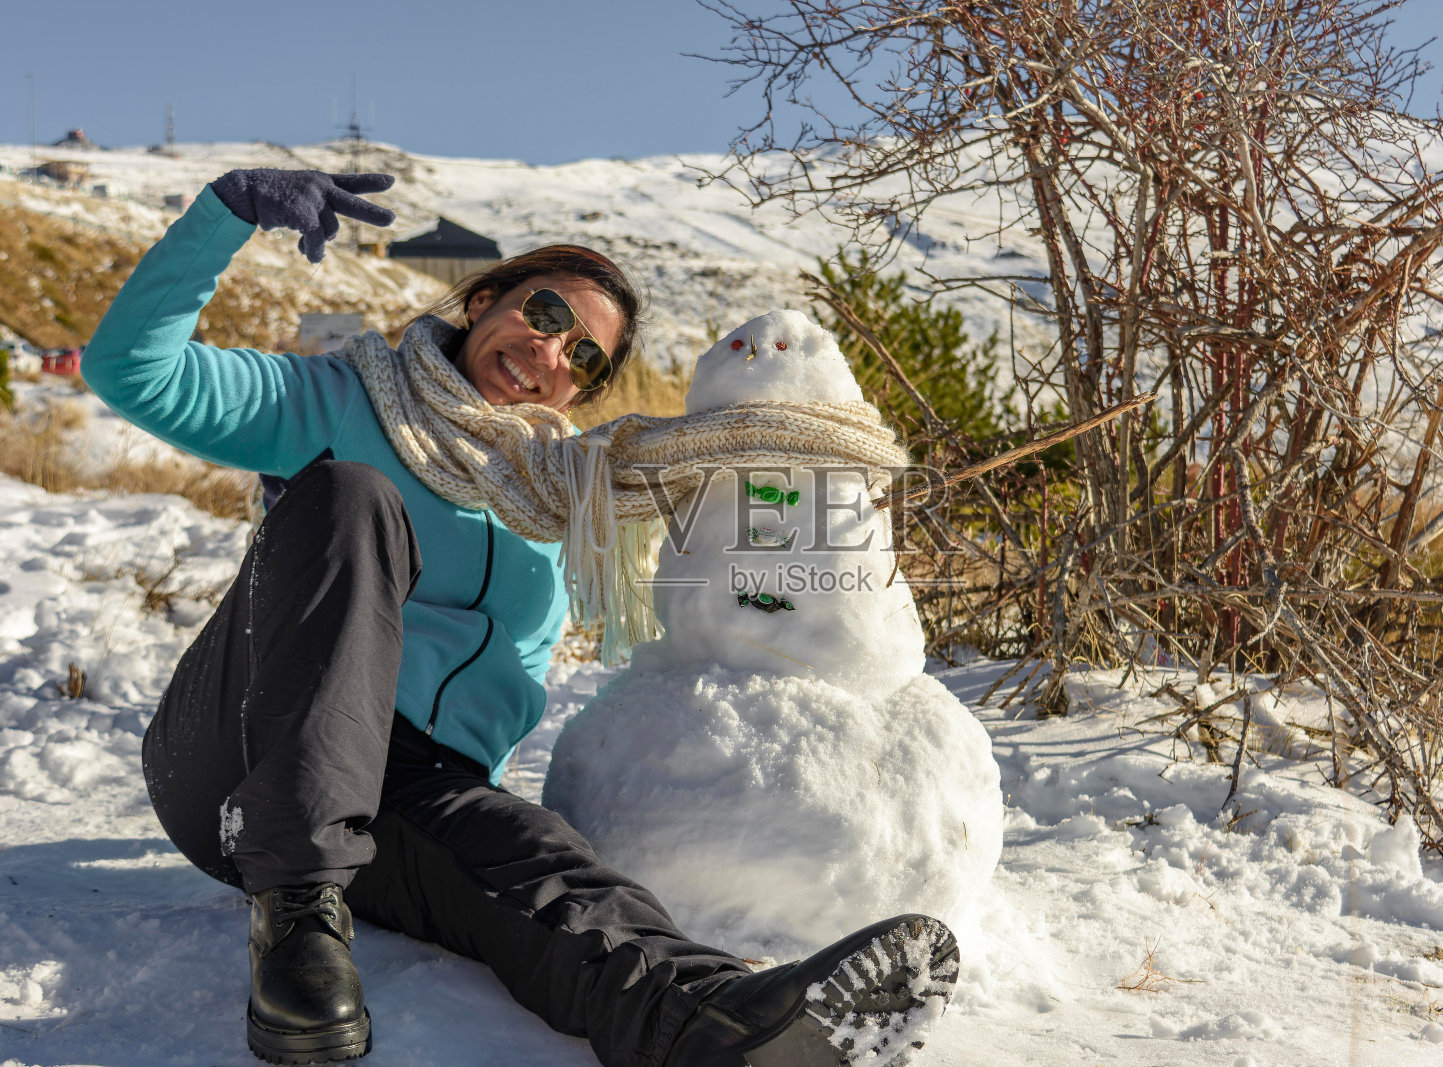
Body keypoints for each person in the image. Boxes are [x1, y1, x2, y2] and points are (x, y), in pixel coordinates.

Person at [81, 169, 958, 1067]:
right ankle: (296, 921)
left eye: (582, 357)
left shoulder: (564, 494)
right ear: (488, 298)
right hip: (246, 751)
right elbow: (131, 369)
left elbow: (728, 536)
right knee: (354, 496)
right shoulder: (337, 400)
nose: (549, 354)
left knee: (541, 860)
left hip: (409, 783)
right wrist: (222, 218)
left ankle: (714, 1023)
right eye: (544, 315)